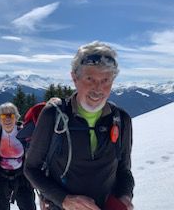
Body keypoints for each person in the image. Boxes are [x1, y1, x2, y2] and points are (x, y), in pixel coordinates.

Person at [24, 41, 135, 210]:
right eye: (90, 78)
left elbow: (124, 171)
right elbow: (31, 169)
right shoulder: (53, 116)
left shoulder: (121, 119)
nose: (98, 89)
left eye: (105, 80)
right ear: (75, 78)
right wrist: (64, 200)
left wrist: (124, 198)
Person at [0, 102, 36, 210]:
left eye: (11, 115)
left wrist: (35, 178)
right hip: (1, 177)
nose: (7, 119)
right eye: (3, 116)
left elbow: (33, 157)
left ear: (16, 117)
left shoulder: (24, 132)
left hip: (22, 176)